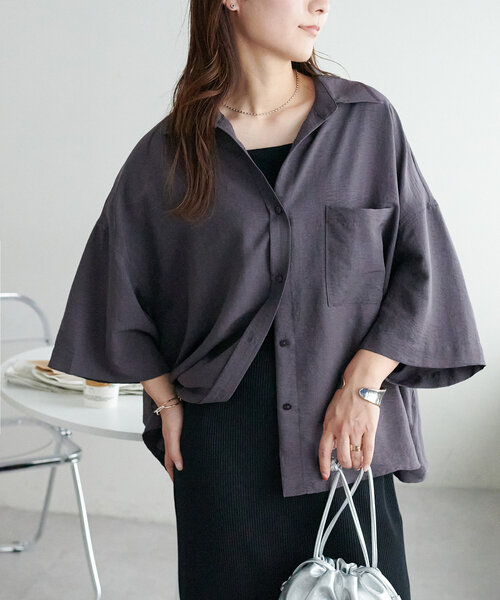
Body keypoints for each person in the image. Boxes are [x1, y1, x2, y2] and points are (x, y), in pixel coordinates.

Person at [48, 1, 486, 599]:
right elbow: (115, 288)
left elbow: (421, 267)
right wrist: (165, 401)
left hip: (344, 440)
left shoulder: (367, 123)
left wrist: (364, 385)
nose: (320, 4)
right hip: (225, 454)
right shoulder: (172, 151)